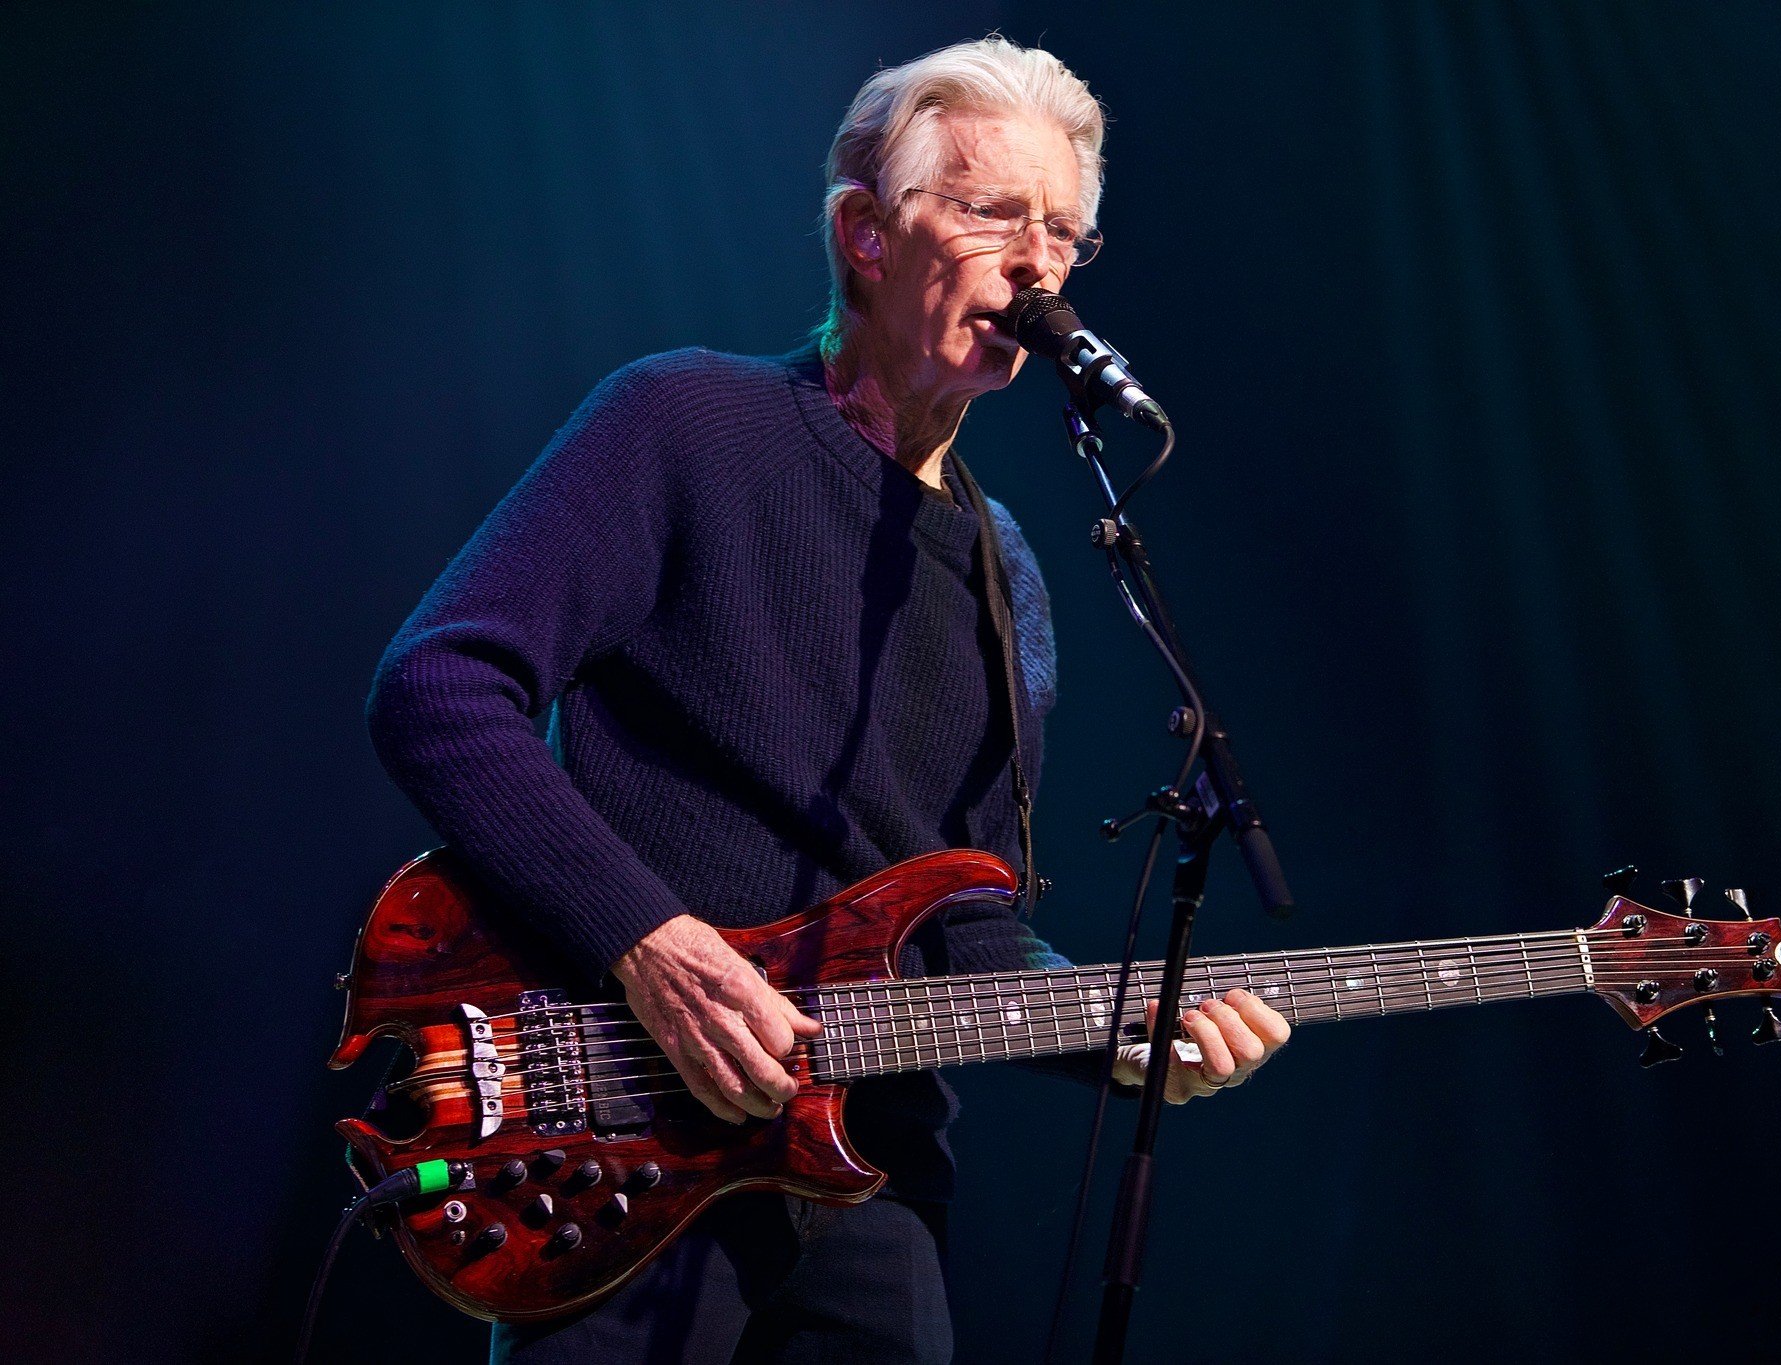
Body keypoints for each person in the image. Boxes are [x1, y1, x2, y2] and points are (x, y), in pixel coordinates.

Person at [365, 36, 1288, 1364]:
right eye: (991, 212)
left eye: (1066, 236)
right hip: (622, 1136)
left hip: (868, 1181)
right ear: (866, 232)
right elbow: (439, 685)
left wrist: (1128, 1033)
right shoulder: (682, 423)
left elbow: (965, 926)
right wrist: (650, 941)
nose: (1039, 263)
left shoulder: (1007, 569)